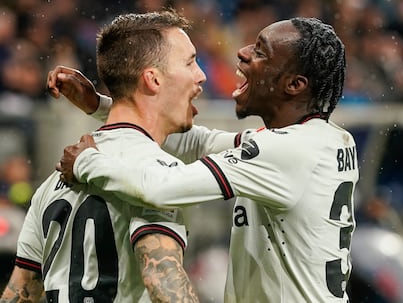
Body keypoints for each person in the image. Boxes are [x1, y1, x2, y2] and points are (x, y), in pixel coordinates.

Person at [55, 17, 358, 302]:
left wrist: (87, 162)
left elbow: (163, 188)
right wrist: (102, 105)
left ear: (294, 85)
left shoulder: (285, 151)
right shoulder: (323, 139)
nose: (242, 52)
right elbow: (198, 142)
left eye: (260, 51)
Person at [1, 10, 204, 303]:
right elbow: (163, 282)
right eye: (190, 62)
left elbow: (20, 293)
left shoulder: (53, 182)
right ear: (153, 80)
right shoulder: (158, 176)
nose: (201, 75)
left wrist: (97, 104)